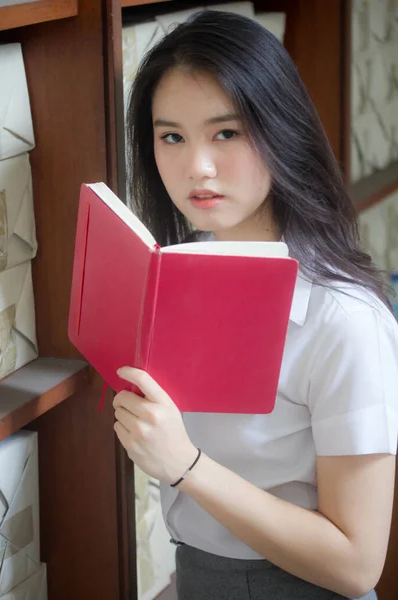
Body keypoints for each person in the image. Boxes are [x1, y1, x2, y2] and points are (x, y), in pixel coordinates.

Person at [113, 10, 398, 600]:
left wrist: (186, 465)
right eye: (172, 136)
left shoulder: (344, 319)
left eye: (227, 133)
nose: (198, 167)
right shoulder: (171, 279)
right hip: (192, 577)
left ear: (279, 129)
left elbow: (356, 564)